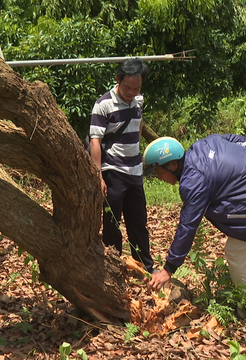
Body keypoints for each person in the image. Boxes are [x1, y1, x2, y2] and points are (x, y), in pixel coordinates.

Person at [144, 135, 246, 317]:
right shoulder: (202, 144)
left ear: (172, 165)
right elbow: (238, 140)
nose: (158, 178)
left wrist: (168, 269)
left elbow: (188, 226)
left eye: (158, 172)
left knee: (238, 253)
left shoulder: (193, 180)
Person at [88, 58, 155, 273]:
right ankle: (114, 266)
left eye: (137, 88)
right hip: (112, 171)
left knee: (138, 222)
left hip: (135, 171)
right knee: (112, 223)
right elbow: (95, 140)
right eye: (127, 87)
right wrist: (97, 175)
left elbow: (138, 125)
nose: (131, 92)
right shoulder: (103, 104)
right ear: (117, 80)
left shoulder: (138, 101)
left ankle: (144, 267)